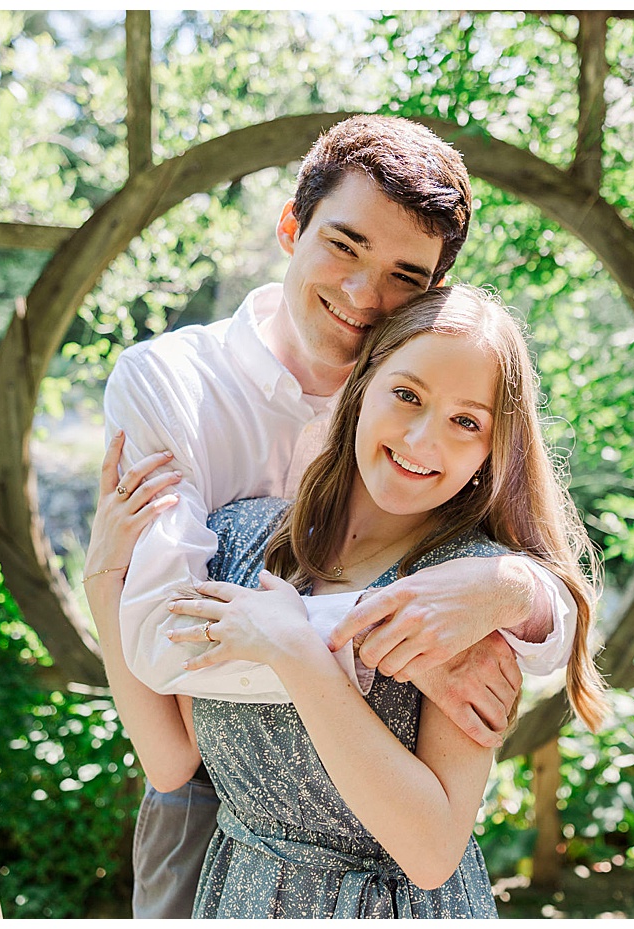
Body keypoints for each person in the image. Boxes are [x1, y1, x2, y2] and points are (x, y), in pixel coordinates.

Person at [88, 114, 578, 917]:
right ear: (292, 226)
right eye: (344, 247)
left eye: (403, 278)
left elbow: (535, 619)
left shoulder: (418, 392)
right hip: (215, 798)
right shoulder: (173, 384)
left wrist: (510, 589)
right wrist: (399, 638)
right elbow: (161, 646)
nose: (362, 295)